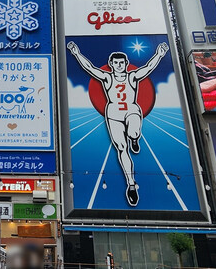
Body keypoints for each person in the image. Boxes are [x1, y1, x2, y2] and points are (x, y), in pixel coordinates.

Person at [66, 41, 169, 207]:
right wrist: (76, 53)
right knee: (121, 148)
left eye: (122, 63)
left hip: (131, 110)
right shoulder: (107, 78)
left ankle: (134, 138)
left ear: (126, 64)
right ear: (111, 64)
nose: (119, 65)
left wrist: (159, 54)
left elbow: (149, 67)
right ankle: (131, 184)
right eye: (116, 63)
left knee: (133, 132)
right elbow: (90, 68)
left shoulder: (132, 76)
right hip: (113, 113)